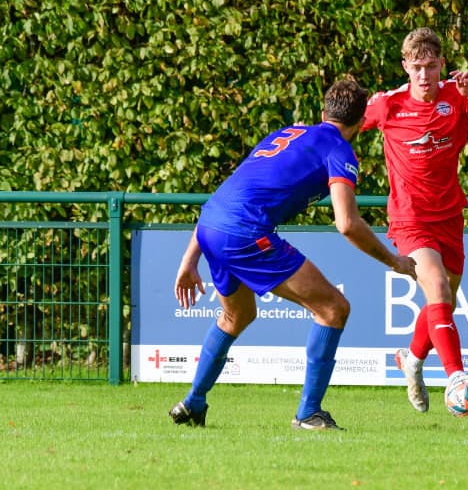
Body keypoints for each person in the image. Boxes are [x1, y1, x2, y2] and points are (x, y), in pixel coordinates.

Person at [169, 78, 417, 431]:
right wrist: (395, 261)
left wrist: (189, 258)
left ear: (323, 113)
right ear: (362, 122)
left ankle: (194, 403)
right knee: (333, 308)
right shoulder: (339, 151)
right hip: (244, 232)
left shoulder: (290, 132)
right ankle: (309, 413)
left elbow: (232, 190)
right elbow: (347, 223)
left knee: (236, 316)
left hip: (210, 225)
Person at [361, 27, 468, 413]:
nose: (424, 75)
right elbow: (340, 125)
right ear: (405, 66)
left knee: (444, 299)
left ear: (442, 65)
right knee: (437, 287)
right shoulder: (388, 104)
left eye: (431, 66)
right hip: (409, 218)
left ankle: (412, 359)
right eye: (416, 67)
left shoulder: (459, 95)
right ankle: (457, 379)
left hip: (449, 217)